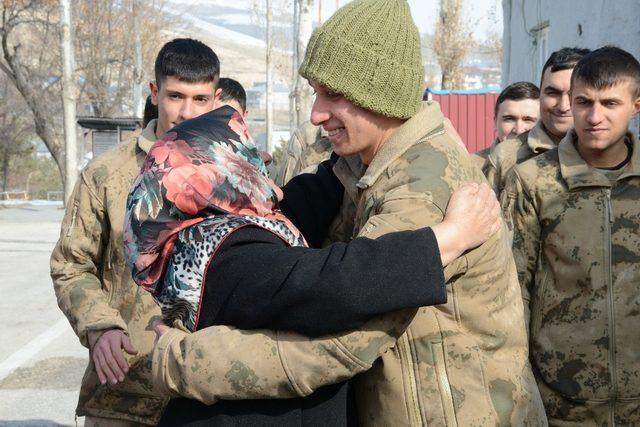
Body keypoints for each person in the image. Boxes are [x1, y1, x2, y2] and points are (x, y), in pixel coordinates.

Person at [151, 1, 547, 425]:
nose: (316, 114)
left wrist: (185, 359)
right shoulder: (361, 166)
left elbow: (342, 338)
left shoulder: (421, 191)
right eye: (316, 93)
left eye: (333, 95)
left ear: (381, 95)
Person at [124, 106, 502, 425]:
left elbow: (312, 195)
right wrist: (447, 239)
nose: (264, 161)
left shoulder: (222, 229)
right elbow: (333, 284)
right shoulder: (220, 256)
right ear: (212, 174)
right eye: (246, 154)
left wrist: (410, 124)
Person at [50, 38, 222, 426]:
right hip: (124, 391)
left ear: (217, 98)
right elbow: (71, 264)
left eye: (200, 99)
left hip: (207, 393)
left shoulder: (237, 178)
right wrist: (100, 326)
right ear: (154, 92)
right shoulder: (108, 174)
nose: (186, 111)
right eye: (175, 96)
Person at [504, 46, 640, 426]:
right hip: (562, 406)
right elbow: (511, 291)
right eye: (584, 102)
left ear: (636, 105)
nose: (594, 117)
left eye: (610, 103)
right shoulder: (533, 182)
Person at [486, 47, 590, 195]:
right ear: (540, 94)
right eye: (552, 93)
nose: (563, 106)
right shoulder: (506, 157)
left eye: (573, 94)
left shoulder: (616, 153)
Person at [474, 81, 540, 173]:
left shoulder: (554, 165)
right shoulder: (472, 166)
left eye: (528, 120)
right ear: (495, 122)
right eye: (509, 119)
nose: (519, 130)